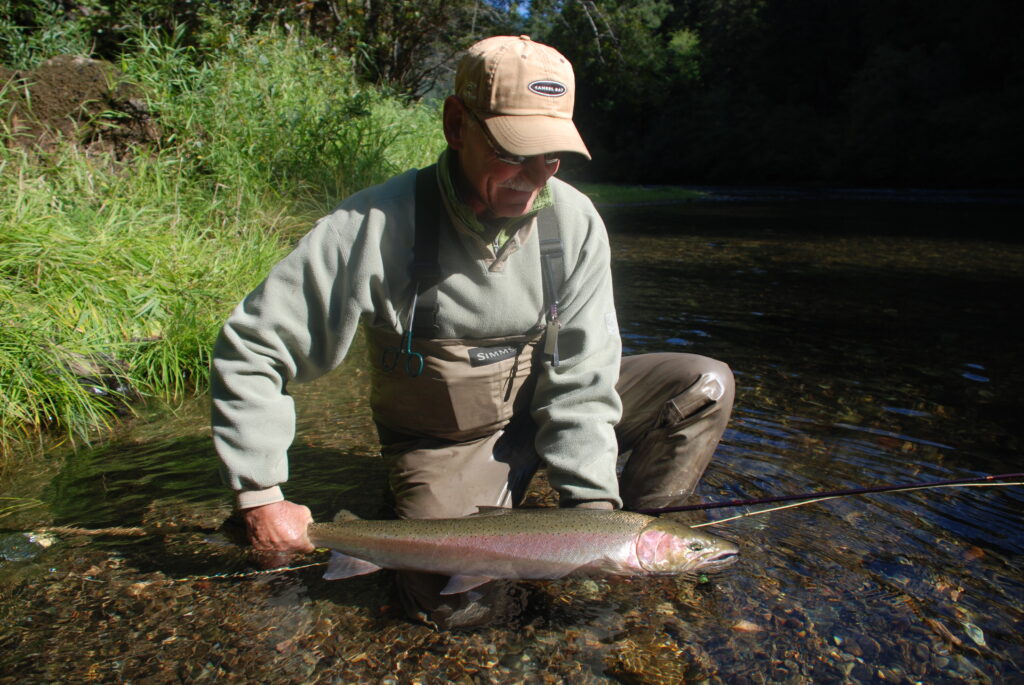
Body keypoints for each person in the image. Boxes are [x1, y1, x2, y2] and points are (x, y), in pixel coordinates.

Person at [211, 35, 734, 628]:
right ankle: (435, 514)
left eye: (553, 157)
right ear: (456, 124)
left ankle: (655, 542)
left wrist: (594, 517)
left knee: (702, 384)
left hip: (545, 410)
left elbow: (584, 382)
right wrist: (261, 493)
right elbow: (253, 347)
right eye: (515, 153)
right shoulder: (373, 227)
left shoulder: (575, 221)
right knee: (459, 607)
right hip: (447, 442)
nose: (535, 178)